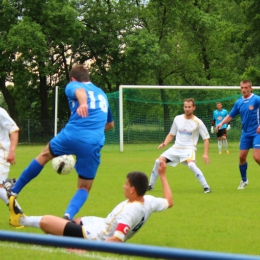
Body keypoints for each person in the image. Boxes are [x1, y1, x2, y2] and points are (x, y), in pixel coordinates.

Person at [4, 64, 114, 222]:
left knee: (44, 155)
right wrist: (92, 132)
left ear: (73, 79)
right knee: (84, 187)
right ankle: (67, 216)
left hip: (71, 135)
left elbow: (80, 91)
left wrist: (83, 104)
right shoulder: (102, 94)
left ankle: (14, 191)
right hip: (93, 142)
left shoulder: (73, 85)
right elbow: (110, 125)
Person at [9, 161, 173, 243]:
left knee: (47, 222)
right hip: (100, 223)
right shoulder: (149, 200)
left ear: (133, 190)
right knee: (68, 222)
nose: (123, 186)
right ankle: (66, 237)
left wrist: (87, 248)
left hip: (96, 236)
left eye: (126, 184)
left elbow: (117, 239)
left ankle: (22, 220)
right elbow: (169, 201)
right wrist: (163, 176)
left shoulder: (131, 212)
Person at [148, 98, 212, 194]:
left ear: (194, 107)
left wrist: (205, 154)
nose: (187, 109)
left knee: (191, 165)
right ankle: (150, 185)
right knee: (158, 161)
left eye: (189, 107)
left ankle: (206, 187)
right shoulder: (177, 119)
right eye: (185, 107)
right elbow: (171, 134)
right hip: (176, 148)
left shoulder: (198, 122)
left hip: (189, 148)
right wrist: (164, 143)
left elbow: (206, 138)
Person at [216, 80, 260, 190]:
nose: (244, 90)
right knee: (241, 157)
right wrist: (221, 123)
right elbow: (230, 115)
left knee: (257, 157)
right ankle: (244, 180)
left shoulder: (257, 99)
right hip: (245, 133)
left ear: (251, 88)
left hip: (257, 133)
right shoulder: (239, 102)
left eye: (246, 87)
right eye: (242, 88)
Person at [0, 107, 19, 208]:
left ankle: (19, 214)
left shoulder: (0, 112)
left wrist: (12, 151)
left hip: (2, 154)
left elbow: (14, 130)